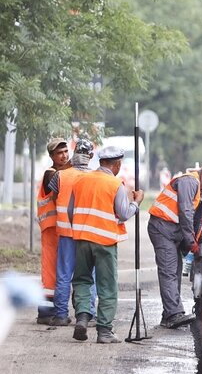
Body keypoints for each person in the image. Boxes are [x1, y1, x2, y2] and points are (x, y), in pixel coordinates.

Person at [69, 146, 143, 343]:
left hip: (82, 239)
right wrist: (137, 202)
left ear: (101, 162)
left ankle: (83, 318)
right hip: (105, 241)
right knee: (107, 286)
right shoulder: (114, 184)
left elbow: (71, 211)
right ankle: (104, 332)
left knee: (82, 280)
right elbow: (124, 213)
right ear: (116, 164)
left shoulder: (81, 180)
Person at [148, 163, 202, 328]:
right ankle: (174, 314)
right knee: (169, 271)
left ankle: (168, 314)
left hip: (172, 231)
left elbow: (198, 221)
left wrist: (201, 240)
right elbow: (186, 212)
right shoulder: (190, 182)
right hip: (162, 228)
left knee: (175, 270)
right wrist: (191, 242)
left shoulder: (199, 191)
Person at [47, 138, 96, 326]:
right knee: (88, 275)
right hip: (87, 234)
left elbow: (53, 197)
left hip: (66, 233)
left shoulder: (61, 176)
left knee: (64, 274)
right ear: (90, 156)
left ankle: (60, 314)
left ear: (74, 154)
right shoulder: (95, 177)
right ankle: (88, 314)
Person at [35, 138, 70, 324]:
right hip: (50, 228)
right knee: (50, 271)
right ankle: (45, 313)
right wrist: (77, 165)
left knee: (58, 270)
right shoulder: (51, 173)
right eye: (59, 153)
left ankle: (54, 310)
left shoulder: (63, 171)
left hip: (59, 227)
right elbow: (57, 180)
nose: (64, 156)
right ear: (51, 156)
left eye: (65, 151)